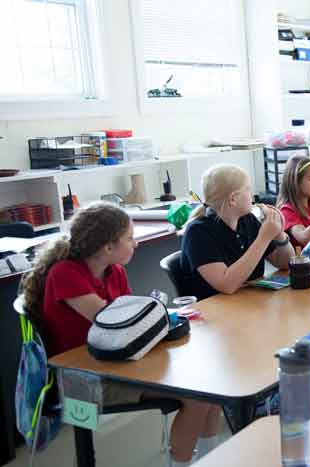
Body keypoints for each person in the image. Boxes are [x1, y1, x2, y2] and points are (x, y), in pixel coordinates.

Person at [20, 202, 219, 466]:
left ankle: (211, 458)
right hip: (83, 378)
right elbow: (112, 323)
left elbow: (131, 324)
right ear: (108, 247)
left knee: (212, 387)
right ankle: (183, 462)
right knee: (196, 397)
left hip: (116, 361)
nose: (135, 244)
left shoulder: (115, 271)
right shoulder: (65, 274)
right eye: (129, 238)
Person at [181, 164, 294, 301]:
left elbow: (285, 263)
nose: (252, 195)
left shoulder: (248, 220)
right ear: (233, 198)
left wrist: (279, 234)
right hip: (214, 312)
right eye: (248, 189)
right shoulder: (198, 232)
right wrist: (264, 238)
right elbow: (227, 285)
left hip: (249, 303)